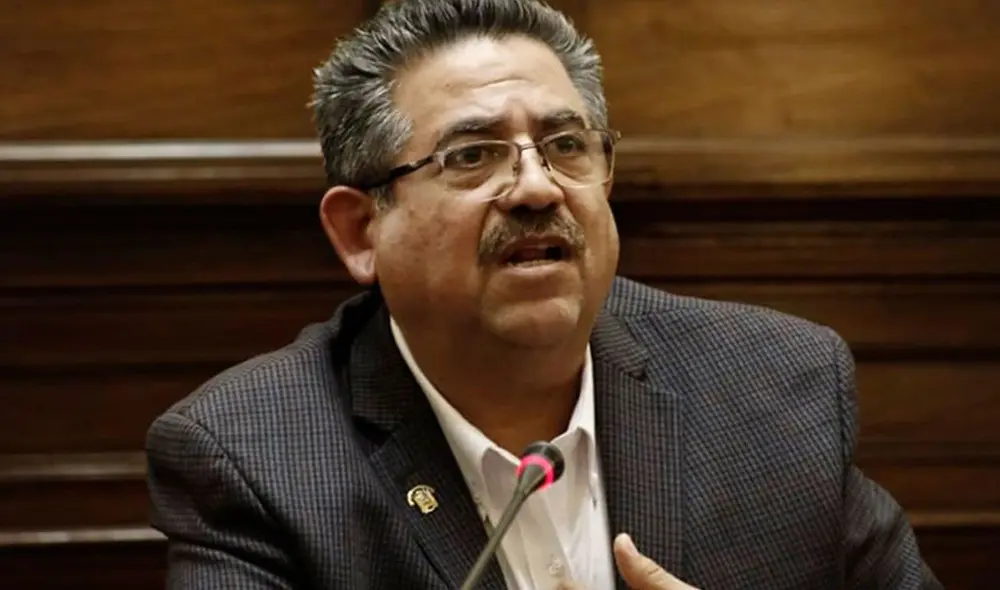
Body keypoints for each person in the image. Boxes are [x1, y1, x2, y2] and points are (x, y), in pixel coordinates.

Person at [144, 0, 943, 588]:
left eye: (566, 145)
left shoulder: (777, 386)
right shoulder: (254, 458)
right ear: (360, 232)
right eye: (471, 156)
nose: (535, 186)